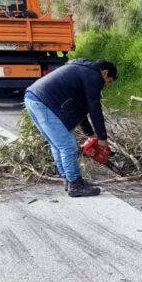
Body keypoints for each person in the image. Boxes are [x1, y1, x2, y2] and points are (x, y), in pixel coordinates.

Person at [24, 58, 117, 197]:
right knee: (67, 146)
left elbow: (82, 109)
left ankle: (69, 180)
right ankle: (75, 185)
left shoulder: (81, 70)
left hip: (33, 98)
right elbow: (94, 108)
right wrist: (102, 138)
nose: (105, 86)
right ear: (105, 73)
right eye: (108, 82)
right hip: (44, 102)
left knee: (57, 145)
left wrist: (90, 134)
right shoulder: (94, 76)